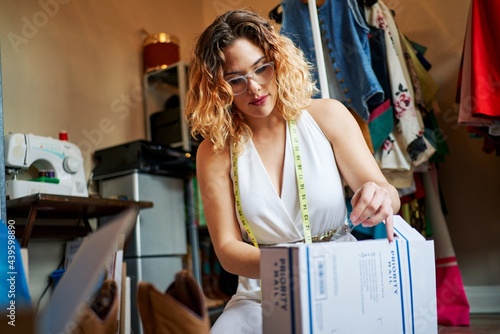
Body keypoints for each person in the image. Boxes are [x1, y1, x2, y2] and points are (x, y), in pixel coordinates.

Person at [185, 9, 401, 334]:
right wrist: (289, 267)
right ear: (217, 87)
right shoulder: (214, 152)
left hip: (341, 278)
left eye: (262, 68)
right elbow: (227, 249)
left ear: (278, 60)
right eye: (236, 79)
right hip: (263, 292)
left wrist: (382, 197)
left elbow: (389, 194)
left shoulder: (327, 116)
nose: (255, 88)